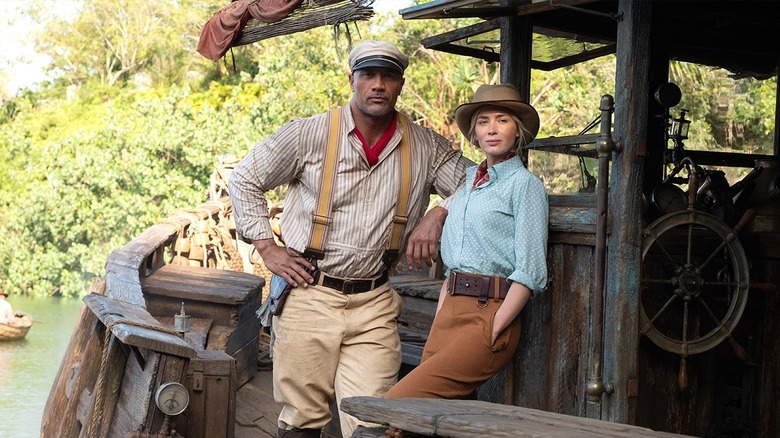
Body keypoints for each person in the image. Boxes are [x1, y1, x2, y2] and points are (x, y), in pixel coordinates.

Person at [228, 40, 470, 438]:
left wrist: (438, 213)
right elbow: (245, 178)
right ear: (352, 80)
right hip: (310, 291)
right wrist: (266, 247)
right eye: (369, 75)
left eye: (388, 76)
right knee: (302, 418)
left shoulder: (425, 145)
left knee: (373, 420)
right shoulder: (310, 133)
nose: (378, 85)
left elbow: (477, 182)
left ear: (400, 84)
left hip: (374, 300)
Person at [383, 84, 549, 436]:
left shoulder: (525, 186)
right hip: (450, 312)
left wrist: (497, 323)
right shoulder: (469, 185)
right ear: (473, 132)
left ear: (517, 130)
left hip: (489, 313)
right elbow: (453, 250)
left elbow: (531, 269)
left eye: (502, 120)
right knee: (444, 424)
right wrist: (444, 309)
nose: (491, 129)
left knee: (397, 407)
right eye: (483, 121)